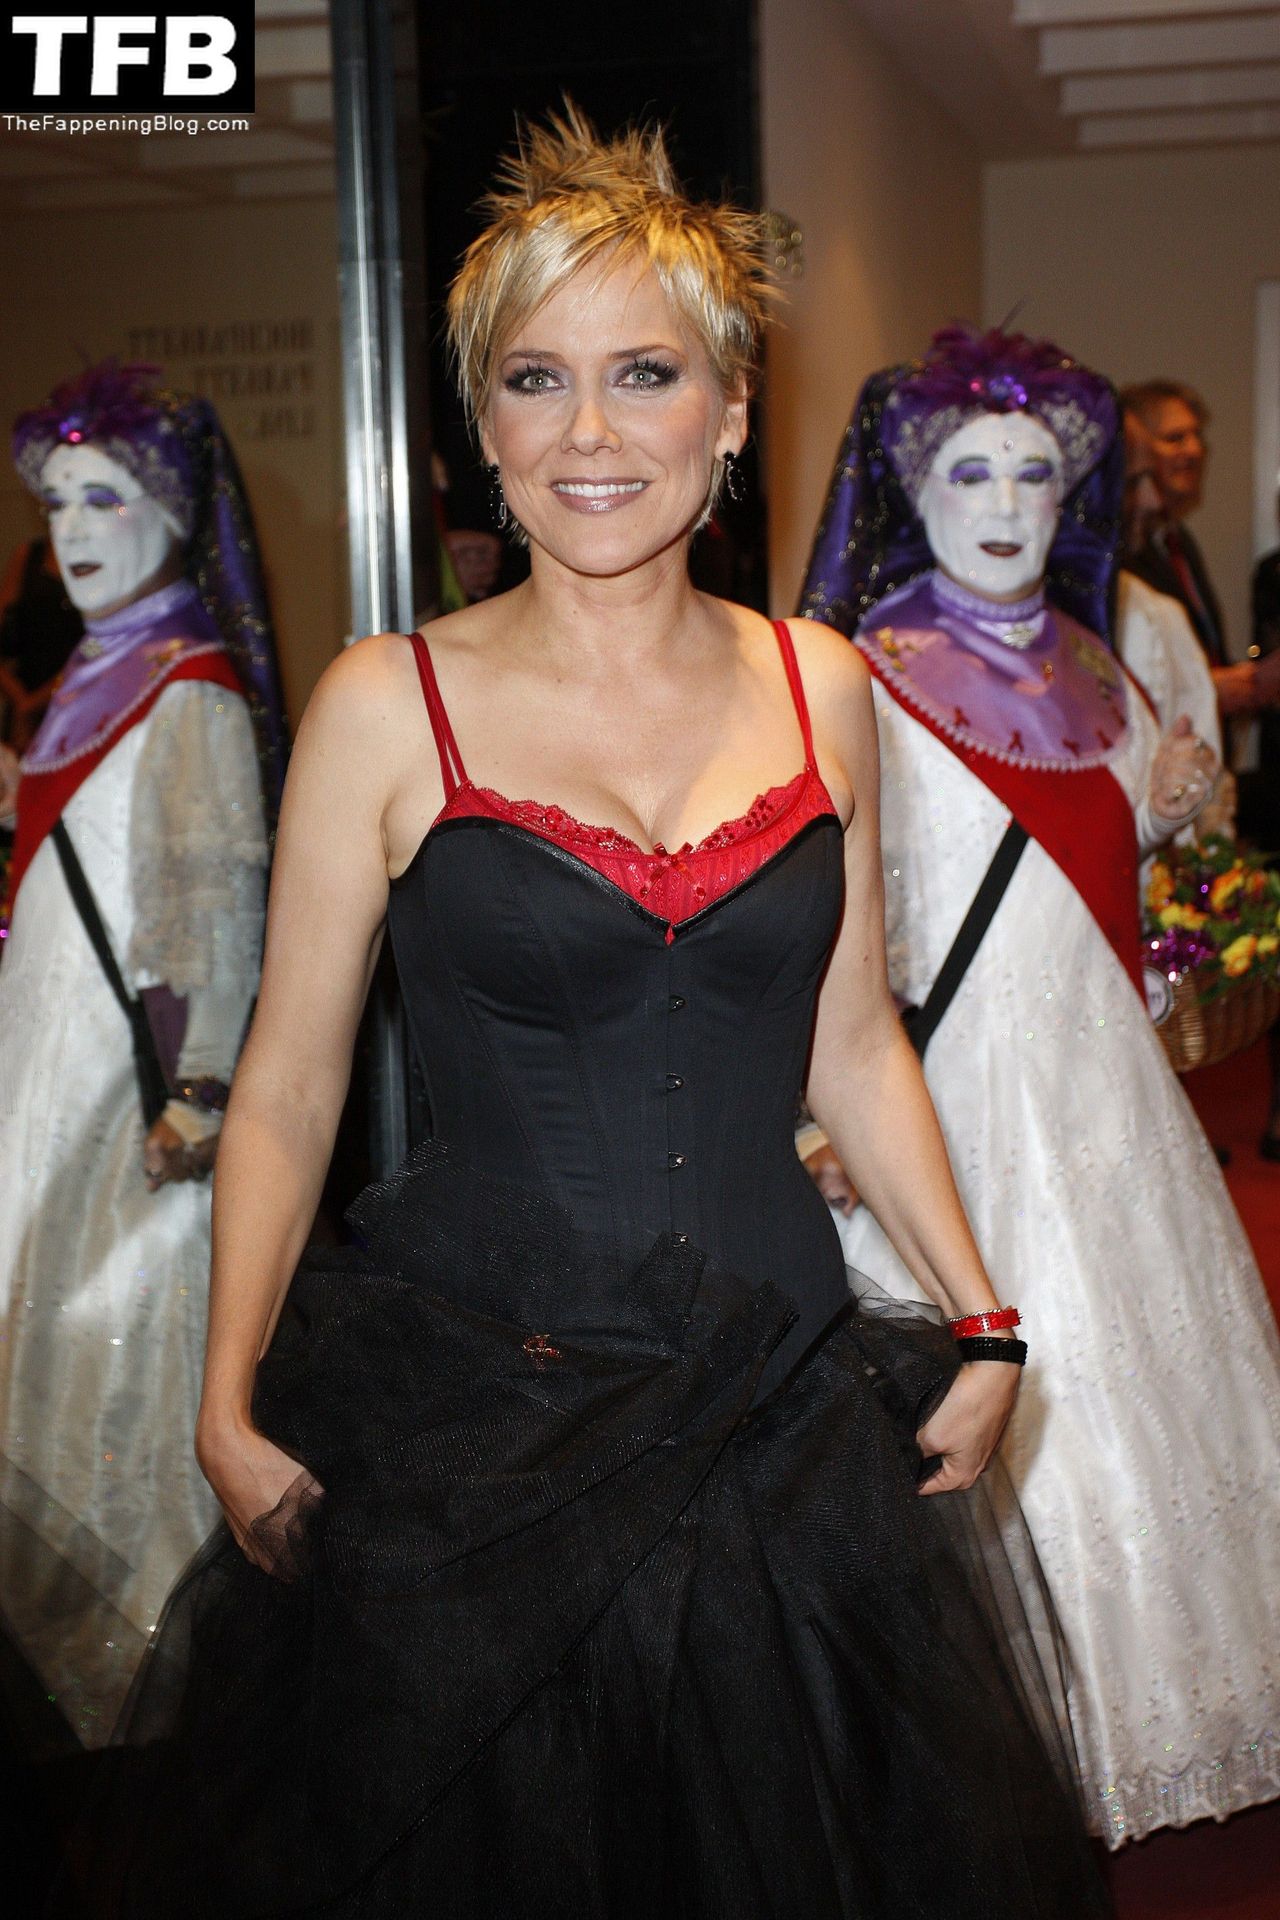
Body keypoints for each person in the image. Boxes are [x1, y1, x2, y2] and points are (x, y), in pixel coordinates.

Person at [63, 114, 1108, 1918]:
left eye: (648, 374)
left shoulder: (822, 684)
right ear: (486, 430)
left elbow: (854, 1040)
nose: (590, 434)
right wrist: (222, 1402)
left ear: (732, 413)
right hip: (490, 1421)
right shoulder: (387, 703)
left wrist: (985, 1317)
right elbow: (294, 1085)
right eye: (537, 380)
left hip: (786, 1412)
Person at [800, 327, 1280, 1847]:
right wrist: (818, 1099)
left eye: (1034, 474)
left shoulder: (1094, 658)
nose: (1005, 504)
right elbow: (826, 911)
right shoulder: (861, 677)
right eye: (970, 473)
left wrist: (1176, 814)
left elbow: (1113, 872)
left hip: (1111, 1094)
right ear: (913, 489)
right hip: (948, 1101)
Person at [0, 360, 284, 1746]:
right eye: (58, 502)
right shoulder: (91, 679)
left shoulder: (188, 693)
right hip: (43, 1075)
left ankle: (143, 1700)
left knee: (120, 1379)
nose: (75, 528)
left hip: (132, 1113)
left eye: (106, 498)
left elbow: (213, 921)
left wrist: (201, 1094)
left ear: (174, 512)